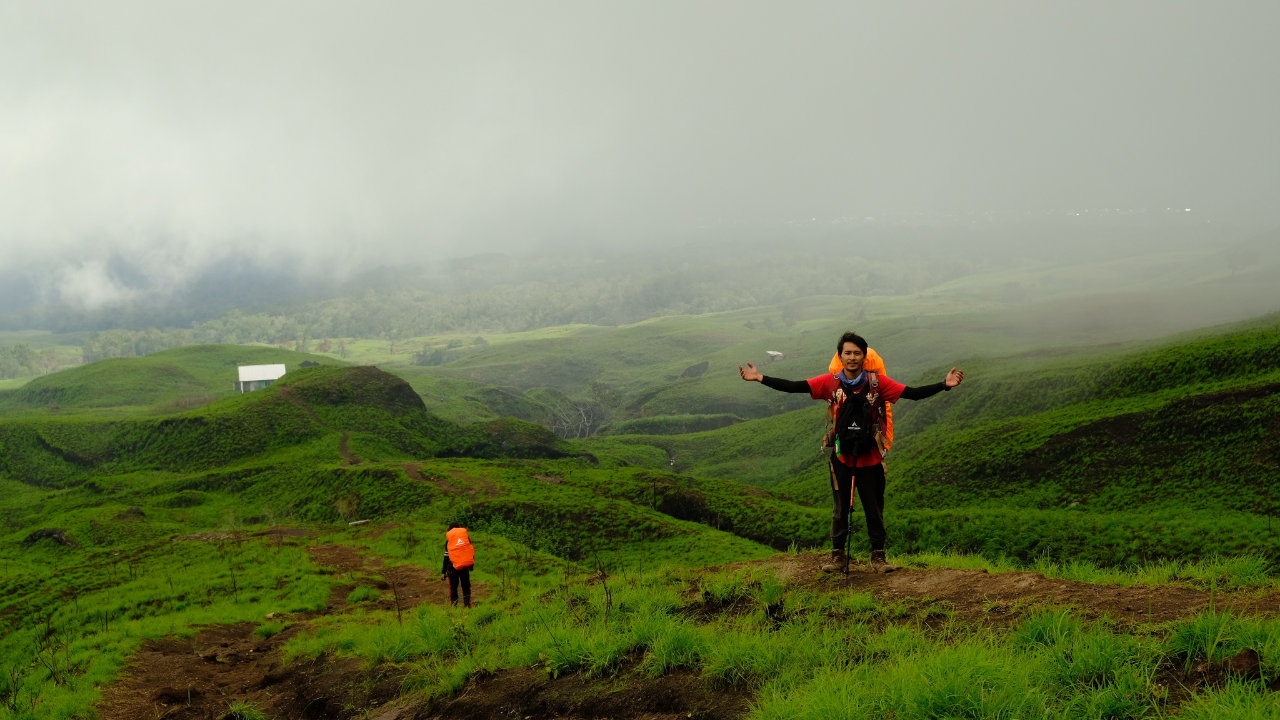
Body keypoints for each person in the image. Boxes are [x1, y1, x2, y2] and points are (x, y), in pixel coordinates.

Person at [739, 331, 963, 572]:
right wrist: (760, 377)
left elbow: (912, 393)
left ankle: (878, 557)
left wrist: (944, 385)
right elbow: (796, 387)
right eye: (848, 353)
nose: (852, 357)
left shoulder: (878, 383)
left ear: (864, 357)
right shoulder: (830, 382)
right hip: (841, 457)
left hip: (871, 458)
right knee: (840, 508)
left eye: (857, 353)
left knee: (874, 509)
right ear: (840, 356)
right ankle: (838, 556)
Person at [441, 523, 475, 607]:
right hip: (464, 567)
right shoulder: (466, 539)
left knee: (453, 588)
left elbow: (446, 558)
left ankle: (454, 606)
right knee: (466, 586)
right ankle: (467, 605)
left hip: (452, 568)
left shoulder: (449, 542)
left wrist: (443, 572)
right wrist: (471, 566)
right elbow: (470, 552)